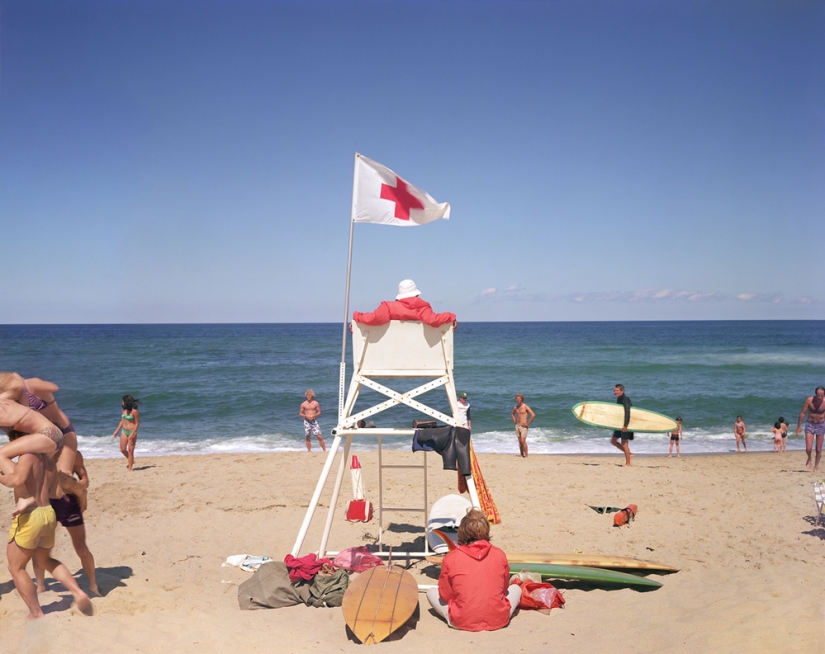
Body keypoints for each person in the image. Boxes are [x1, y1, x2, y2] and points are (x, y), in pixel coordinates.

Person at [0, 432, 93, 618]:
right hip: (48, 513)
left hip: (31, 516)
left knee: (16, 568)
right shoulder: (48, 461)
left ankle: (36, 612)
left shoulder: (27, 457)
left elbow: (15, 480)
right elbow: (57, 492)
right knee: (45, 560)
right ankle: (77, 592)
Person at [426, 508, 521, 631]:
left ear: (462, 531)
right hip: (498, 619)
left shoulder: (451, 558)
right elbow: (504, 588)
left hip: (462, 621)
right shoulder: (499, 554)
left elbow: (445, 595)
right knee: (516, 588)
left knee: (431, 592)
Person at [33, 449, 99, 596]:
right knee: (40, 547)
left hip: (69, 503)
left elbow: (85, 480)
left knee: (81, 547)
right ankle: (40, 586)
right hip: (45, 502)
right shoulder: (39, 452)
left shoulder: (73, 454)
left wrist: (75, 487)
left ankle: (93, 585)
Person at [0, 373, 79, 492]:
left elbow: (54, 388)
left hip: (63, 431)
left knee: (64, 480)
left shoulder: (29, 385)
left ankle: (81, 491)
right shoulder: (8, 405)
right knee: (46, 482)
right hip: (39, 439)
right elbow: (15, 437)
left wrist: (32, 384)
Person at [351, 280, 457, 330]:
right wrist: (451, 317)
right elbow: (432, 320)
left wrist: (357, 317)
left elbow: (374, 318)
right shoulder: (423, 308)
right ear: (416, 294)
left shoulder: (388, 308)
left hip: (389, 359)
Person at [796, 387, 825, 473]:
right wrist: (798, 426)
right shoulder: (809, 400)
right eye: (818, 395)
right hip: (810, 424)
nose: (819, 397)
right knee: (808, 448)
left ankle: (816, 466)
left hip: (821, 425)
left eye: (821, 395)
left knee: (818, 449)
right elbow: (802, 413)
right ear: (815, 394)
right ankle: (809, 458)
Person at [112, 394, 141, 471]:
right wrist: (116, 431)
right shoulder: (124, 410)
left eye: (123, 401)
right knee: (122, 450)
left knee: (131, 450)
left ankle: (130, 469)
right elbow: (122, 421)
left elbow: (137, 423)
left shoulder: (134, 411)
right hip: (124, 431)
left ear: (126, 402)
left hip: (132, 431)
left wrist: (133, 433)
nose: (122, 402)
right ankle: (131, 460)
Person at [611, 384, 633, 467]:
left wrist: (626, 425)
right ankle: (629, 454)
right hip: (620, 424)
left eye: (617, 390)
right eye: (614, 391)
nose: (615, 392)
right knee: (613, 441)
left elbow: (628, 412)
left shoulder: (625, 399)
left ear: (622, 391)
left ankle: (628, 463)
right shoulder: (619, 399)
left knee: (624, 444)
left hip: (626, 424)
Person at [510, 394, 534, 458]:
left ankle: (526, 455)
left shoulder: (525, 406)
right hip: (518, 425)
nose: (518, 400)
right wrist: (514, 420)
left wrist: (527, 423)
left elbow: (533, 415)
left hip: (524, 426)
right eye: (517, 399)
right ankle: (521, 454)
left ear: (522, 399)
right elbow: (512, 414)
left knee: (523, 441)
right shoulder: (516, 407)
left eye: (519, 399)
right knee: (520, 441)